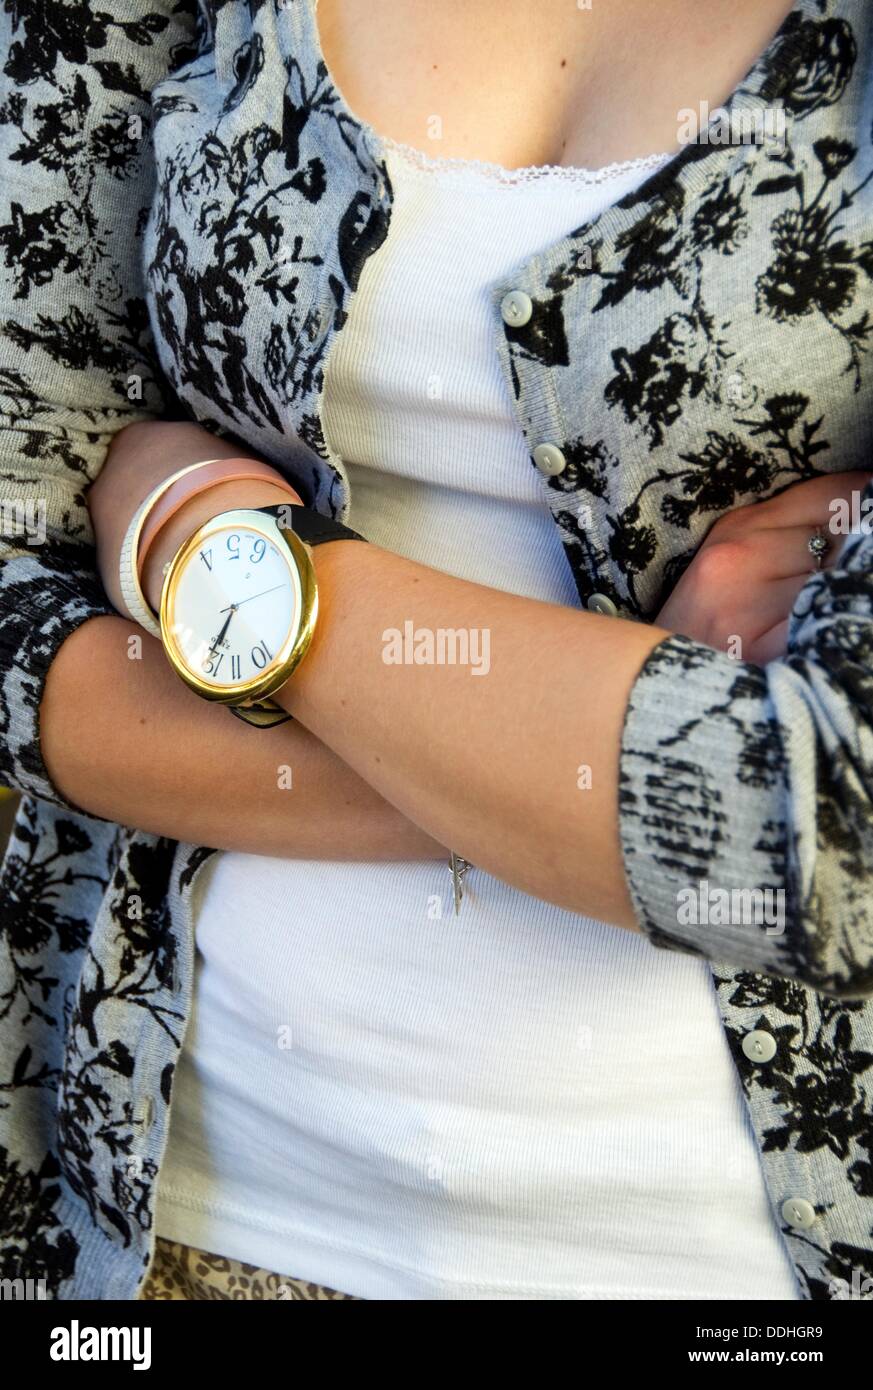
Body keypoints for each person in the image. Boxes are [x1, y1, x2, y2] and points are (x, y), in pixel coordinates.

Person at [1, 0, 872, 1301]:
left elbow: (825, 832)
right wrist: (615, 722)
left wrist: (204, 550)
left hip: (719, 1270)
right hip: (164, 1228)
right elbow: (23, 577)